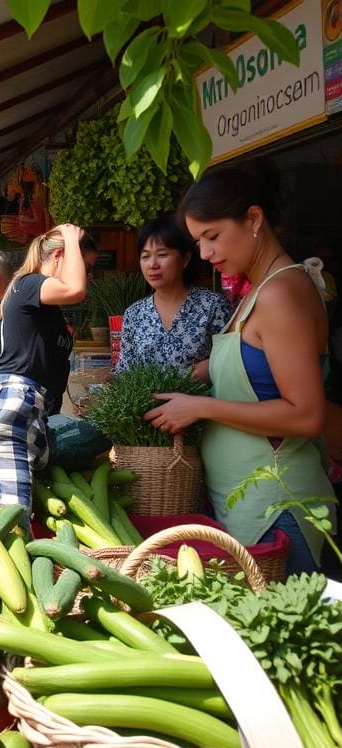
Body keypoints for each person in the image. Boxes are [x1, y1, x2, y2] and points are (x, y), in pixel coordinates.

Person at [145, 166, 336, 575]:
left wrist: (201, 408)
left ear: (253, 219)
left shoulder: (282, 292)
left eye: (212, 237)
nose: (206, 254)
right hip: (251, 507)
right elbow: (251, 371)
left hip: (280, 511)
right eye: (198, 242)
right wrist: (174, 381)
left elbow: (305, 415)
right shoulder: (260, 289)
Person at [0, 225, 86, 511]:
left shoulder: (37, 298)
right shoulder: (29, 283)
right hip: (17, 401)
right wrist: (73, 237)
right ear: (61, 256)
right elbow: (76, 289)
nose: (85, 274)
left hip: (29, 404)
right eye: (83, 264)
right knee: (11, 513)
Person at [115, 215, 230, 380]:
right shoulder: (134, 314)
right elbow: (125, 372)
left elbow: (232, 362)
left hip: (204, 405)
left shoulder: (212, 306)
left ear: (185, 259)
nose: (152, 264)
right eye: (145, 256)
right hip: (149, 405)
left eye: (162, 255)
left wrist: (205, 369)